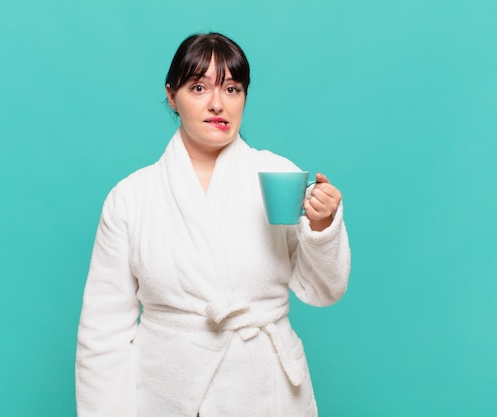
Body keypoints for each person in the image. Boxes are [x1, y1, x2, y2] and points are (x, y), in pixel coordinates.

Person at [75, 32, 351, 417]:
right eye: (199, 87)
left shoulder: (276, 176)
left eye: (233, 88)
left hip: (264, 392)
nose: (218, 103)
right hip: (167, 394)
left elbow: (324, 289)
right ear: (172, 95)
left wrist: (322, 227)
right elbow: (103, 335)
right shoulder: (131, 198)